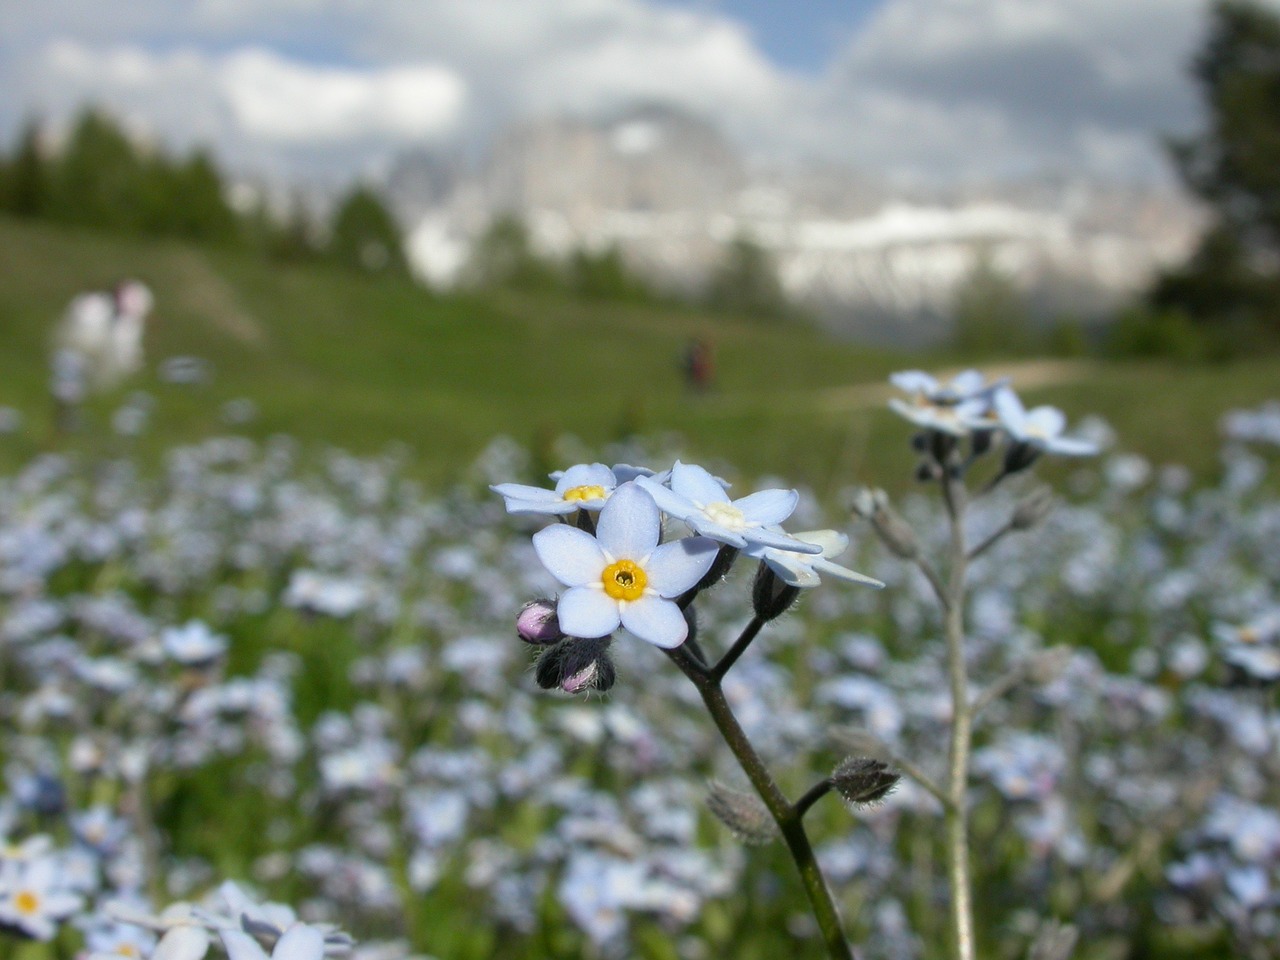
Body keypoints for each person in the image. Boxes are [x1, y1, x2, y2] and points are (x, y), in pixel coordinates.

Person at [51, 280, 153, 431]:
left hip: (92, 364)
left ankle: (60, 425)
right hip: (77, 358)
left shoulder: (127, 330)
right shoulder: (90, 309)